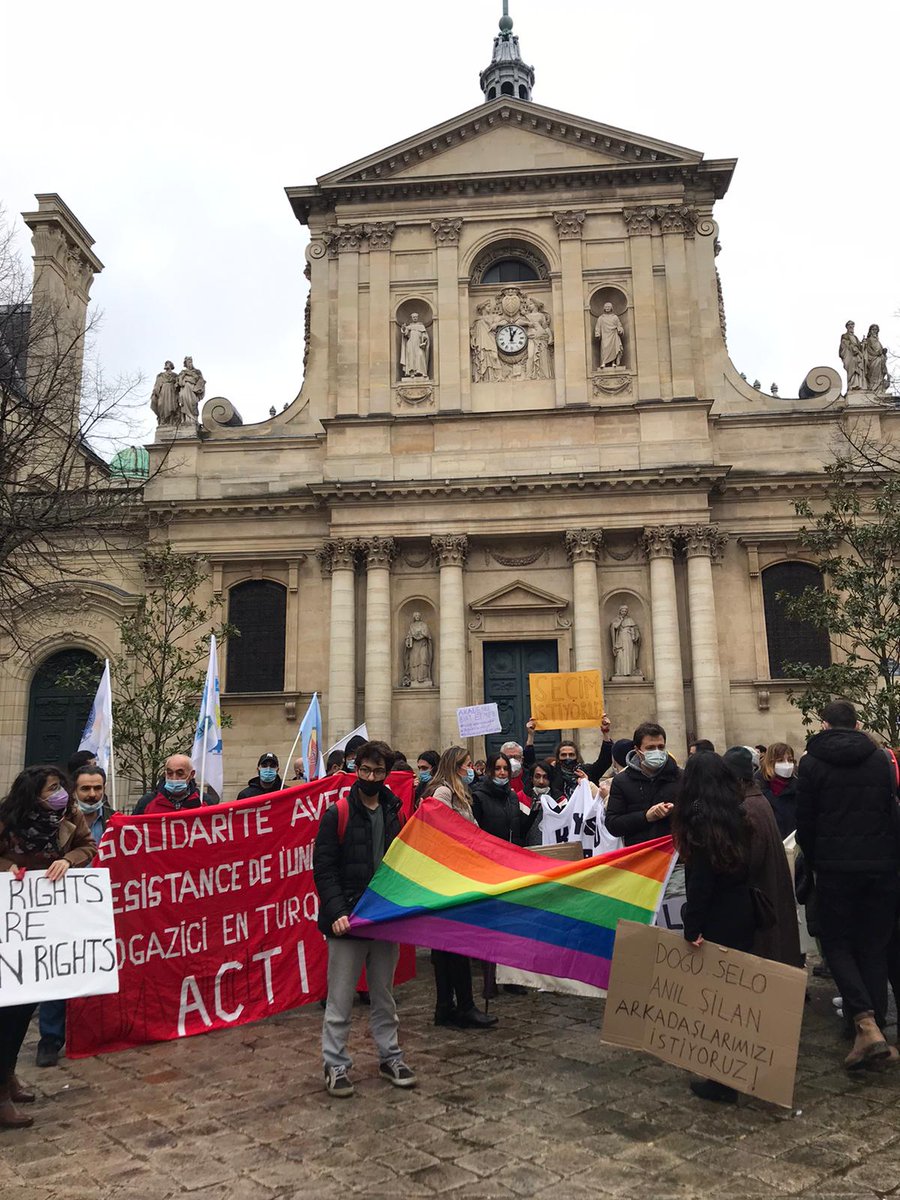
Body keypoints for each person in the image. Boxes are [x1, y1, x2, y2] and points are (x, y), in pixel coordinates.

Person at [796, 700, 900, 1070]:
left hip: (835, 869)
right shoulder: (880, 759)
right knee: (874, 945)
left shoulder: (809, 764)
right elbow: (890, 810)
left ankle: (864, 1022)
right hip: (883, 866)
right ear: (856, 724)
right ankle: (876, 1028)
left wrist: (816, 859)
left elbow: (804, 822)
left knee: (838, 943)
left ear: (823, 725)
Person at [313, 741, 416, 1097]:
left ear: (387, 774)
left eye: (377, 771)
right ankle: (335, 1063)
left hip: (384, 919)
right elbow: (324, 870)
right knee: (340, 999)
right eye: (365, 771)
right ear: (357, 770)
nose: (371, 777)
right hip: (348, 921)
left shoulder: (394, 813)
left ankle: (390, 1055)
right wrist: (338, 912)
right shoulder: (336, 813)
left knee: (384, 996)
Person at [0, 766, 97, 1128]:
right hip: (10, 922)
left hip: (46, 924)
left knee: (26, 1007)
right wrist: (8, 867)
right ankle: (0, 1096)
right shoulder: (7, 818)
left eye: (61, 787)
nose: (60, 794)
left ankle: (7, 1075)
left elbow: (88, 846)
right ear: (32, 794)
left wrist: (66, 860)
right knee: (6, 1010)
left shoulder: (68, 816)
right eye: (53, 788)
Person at [672, 752, 755, 1103]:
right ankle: (740, 1065)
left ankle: (723, 1080)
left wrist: (692, 927)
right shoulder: (739, 815)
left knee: (716, 999)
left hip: (716, 917)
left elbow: (700, 883)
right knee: (737, 996)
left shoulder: (698, 821)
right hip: (741, 911)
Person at [37, 764, 113, 1068]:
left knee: (96, 968)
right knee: (58, 969)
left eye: (97, 788)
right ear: (74, 791)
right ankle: (50, 1038)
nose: (92, 794)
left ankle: (95, 1030)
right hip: (58, 907)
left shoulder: (119, 822)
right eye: (85, 788)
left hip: (100, 908)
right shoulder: (56, 820)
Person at [423, 746, 498, 1029]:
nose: (471, 770)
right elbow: (442, 834)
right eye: (467, 765)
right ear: (456, 767)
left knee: (445, 946)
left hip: (455, 875)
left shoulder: (458, 795)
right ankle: (463, 1006)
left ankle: (446, 1007)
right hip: (448, 877)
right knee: (454, 943)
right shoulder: (443, 793)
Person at [722, 747, 803, 968]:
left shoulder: (748, 808)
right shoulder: (757, 799)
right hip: (769, 893)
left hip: (762, 898)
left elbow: (748, 862)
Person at [606, 722, 682, 846]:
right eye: (650, 748)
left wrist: (677, 810)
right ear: (637, 750)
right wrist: (646, 816)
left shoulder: (680, 777)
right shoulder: (622, 781)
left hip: (675, 857)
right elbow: (613, 825)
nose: (657, 752)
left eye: (661, 747)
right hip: (641, 858)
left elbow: (697, 811)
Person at [470, 752, 538, 846]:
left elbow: (519, 831)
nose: (502, 772)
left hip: (512, 853)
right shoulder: (478, 797)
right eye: (497, 768)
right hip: (490, 853)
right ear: (489, 771)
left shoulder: (512, 796)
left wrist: (533, 813)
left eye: (506, 769)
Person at [755, 742, 798, 839]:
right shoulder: (758, 788)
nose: (787, 764)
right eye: (780, 760)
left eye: (790, 760)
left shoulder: (798, 786)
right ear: (770, 762)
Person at [138, 755, 204, 815]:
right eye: (170, 773)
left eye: (180, 774)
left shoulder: (203, 801)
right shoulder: (147, 801)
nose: (174, 778)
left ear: (191, 774)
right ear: (165, 774)